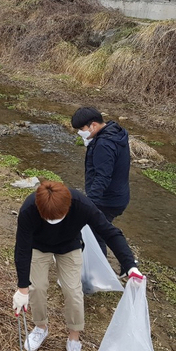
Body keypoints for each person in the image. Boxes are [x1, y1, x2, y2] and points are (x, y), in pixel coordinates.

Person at [13, 181, 141, 351]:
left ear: (68, 207)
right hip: (38, 245)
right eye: (49, 219)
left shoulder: (82, 204)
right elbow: (22, 248)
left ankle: (74, 339)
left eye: (57, 218)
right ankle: (41, 327)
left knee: (73, 291)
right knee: (37, 287)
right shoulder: (29, 209)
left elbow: (110, 232)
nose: (53, 222)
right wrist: (22, 288)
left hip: (69, 245)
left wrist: (129, 265)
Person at [71, 107, 131, 255]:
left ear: (94, 125)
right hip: (118, 196)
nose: (80, 132)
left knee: (95, 235)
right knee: (102, 230)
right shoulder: (115, 132)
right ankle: (126, 264)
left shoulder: (104, 144)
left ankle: (99, 272)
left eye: (81, 128)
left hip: (108, 200)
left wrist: (90, 204)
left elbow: (102, 177)